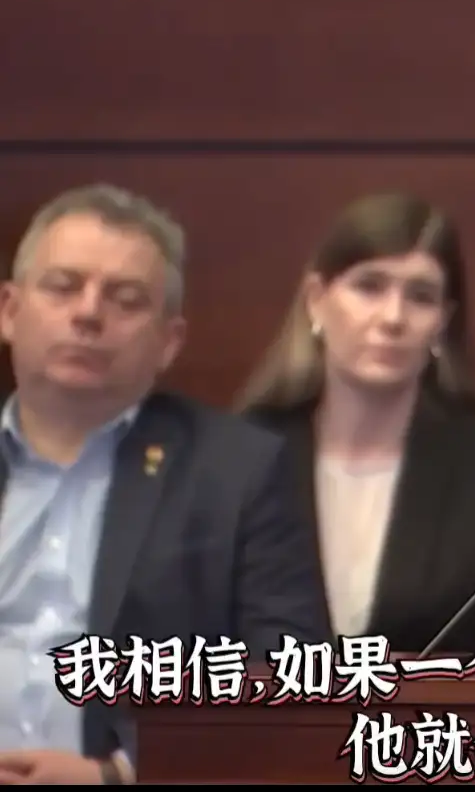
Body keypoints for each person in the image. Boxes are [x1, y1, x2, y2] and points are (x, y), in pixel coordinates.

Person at [0, 184, 331, 784]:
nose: (88, 313)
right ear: (9, 310)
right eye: (63, 287)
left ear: (168, 342)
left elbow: (291, 677)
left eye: (125, 300)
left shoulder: (237, 472)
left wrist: (118, 773)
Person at [237, 192, 475, 663]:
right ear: (316, 301)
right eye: (369, 287)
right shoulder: (239, 460)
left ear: (442, 322)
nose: (393, 318)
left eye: (420, 297)